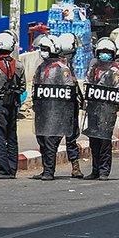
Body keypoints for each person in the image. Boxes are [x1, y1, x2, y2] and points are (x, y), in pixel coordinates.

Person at [31, 35, 78, 181]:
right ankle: (45, 168)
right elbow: (35, 84)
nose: (42, 52)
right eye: (42, 49)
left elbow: (69, 88)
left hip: (57, 110)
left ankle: (49, 171)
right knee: (42, 139)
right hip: (43, 109)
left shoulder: (62, 68)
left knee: (51, 140)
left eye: (45, 49)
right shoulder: (41, 67)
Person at [82, 38, 119, 180]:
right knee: (93, 141)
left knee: (104, 142)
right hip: (93, 110)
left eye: (107, 52)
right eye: (102, 52)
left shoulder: (115, 72)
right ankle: (95, 170)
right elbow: (87, 84)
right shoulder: (93, 69)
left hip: (108, 111)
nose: (104, 55)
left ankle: (104, 171)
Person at [0, 31, 26, 179]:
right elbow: (23, 87)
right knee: (12, 136)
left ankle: (3, 170)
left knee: (0, 137)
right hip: (13, 103)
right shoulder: (19, 65)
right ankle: (12, 168)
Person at [56, 33, 85, 179]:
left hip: (68, 106)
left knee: (70, 138)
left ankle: (75, 166)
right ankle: (49, 168)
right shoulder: (58, 66)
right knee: (58, 138)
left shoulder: (66, 65)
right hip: (59, 107)